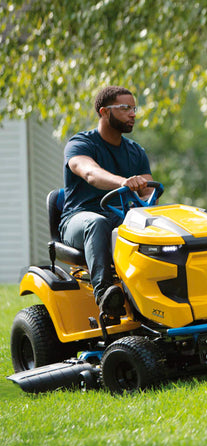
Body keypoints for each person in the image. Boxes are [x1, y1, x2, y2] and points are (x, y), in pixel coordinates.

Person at [59, 86, 153, 318]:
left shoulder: (136, 152)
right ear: (104, 112)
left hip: (123, 219)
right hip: (79, 219)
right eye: (125, 108)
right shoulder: (80, 144)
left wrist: (146, 193)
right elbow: (90, 173)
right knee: (97, 223)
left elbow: (149, 191)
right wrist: (124, 182)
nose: (133, 114)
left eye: (134, 108)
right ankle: (105, 297)